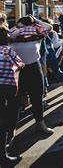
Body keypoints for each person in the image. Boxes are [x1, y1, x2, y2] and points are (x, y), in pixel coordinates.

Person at [9, 15, 55, 134]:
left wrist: (35, 20)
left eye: (24, 25)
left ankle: (40, 124)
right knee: (15, 100)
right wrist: (18, 28)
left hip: (34, 67)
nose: (22, 27)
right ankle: (11, 129)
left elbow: (49, 27)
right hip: (16, 70)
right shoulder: (12, 35)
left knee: (37, 98)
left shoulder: (36, 35)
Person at [0, 27, 24, 166]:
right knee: (3, 122)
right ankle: (3, 156)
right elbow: (20, 64)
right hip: (5, 89)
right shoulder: (7, 50)